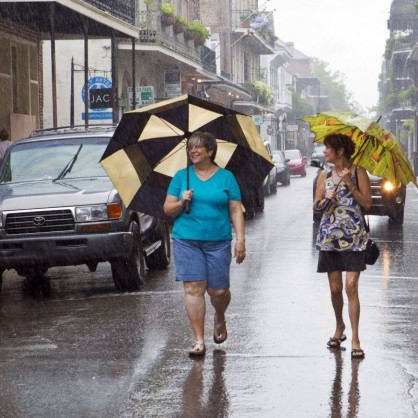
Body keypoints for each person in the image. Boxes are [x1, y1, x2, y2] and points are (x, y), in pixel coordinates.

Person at [163, 131, 246, 357]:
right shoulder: (182, 176)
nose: (193, 151)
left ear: (210, 151)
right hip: (186, 239)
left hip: (218, 241)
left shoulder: (226, 177)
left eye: (198, 147)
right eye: (190, 147)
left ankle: (219, 316)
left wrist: (240, 239)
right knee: (193, 288)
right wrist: (182, 201)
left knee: (218, 291)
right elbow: (167, 209)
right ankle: (198, 340)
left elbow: (236, 209)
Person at [313, 134, 372, 360]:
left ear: (340, 151)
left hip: (354, 239)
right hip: (330, 239)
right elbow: (316, 207)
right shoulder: (324, 176)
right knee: (336, 289)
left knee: (351, 287)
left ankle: (356, 337)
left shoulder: (358, 172)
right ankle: (340, 326)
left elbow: (367, 203)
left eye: (328, 148)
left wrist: (349, 184)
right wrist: (324, 199)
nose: (325, 151)